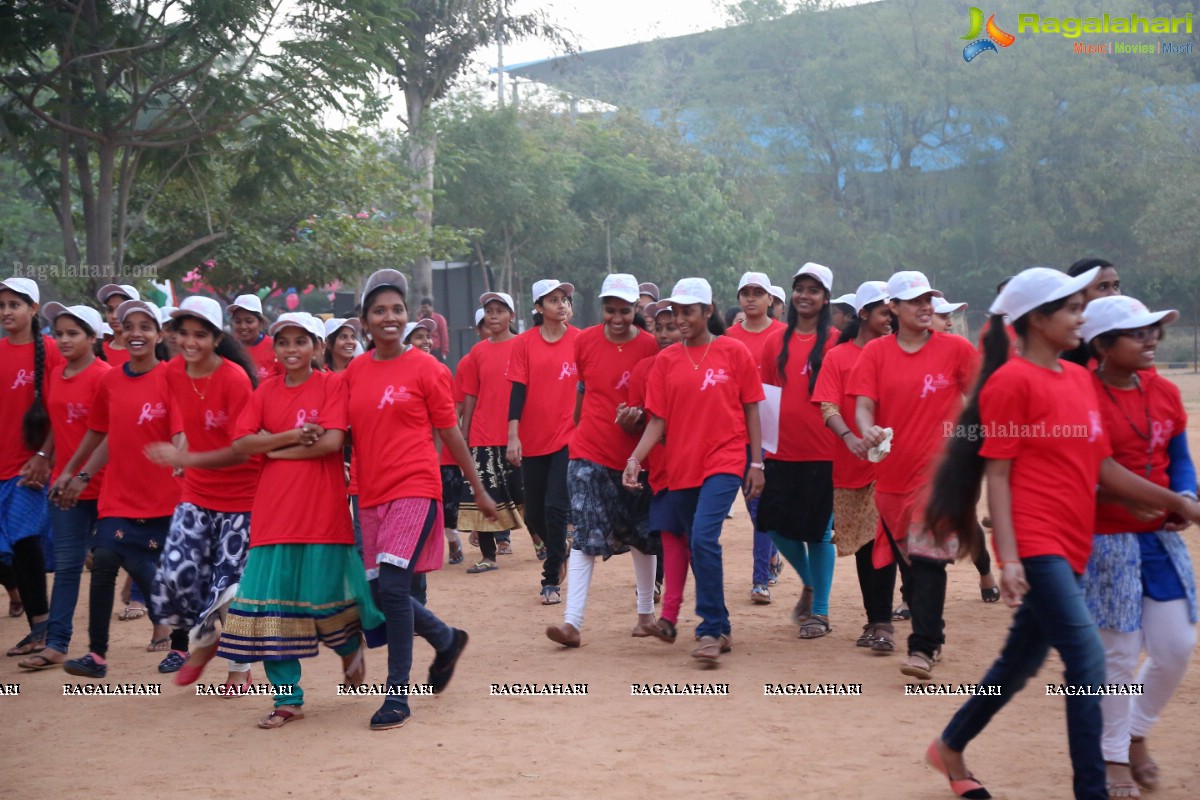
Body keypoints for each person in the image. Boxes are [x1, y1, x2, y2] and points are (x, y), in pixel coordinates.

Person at [921, 267, 1200, 800]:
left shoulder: (1077, 380)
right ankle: (1091, 789)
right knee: (1090, 662)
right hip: (1036, 542)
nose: (1082, 316)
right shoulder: (1010, 381)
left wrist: (1172, 503)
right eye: (1071, 309)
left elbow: (1102, 468)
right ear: (1037, 320)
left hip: (1075, 544)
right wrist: (1011, 559)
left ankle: (950, 747)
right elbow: (997, 475)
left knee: (1019, 662)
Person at [343, 269, 496, 730]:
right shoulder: (354, 370)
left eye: (397, 310)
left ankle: (397, 696)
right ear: (365, 321)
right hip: (369, 495)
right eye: (379, 311)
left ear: (407, 316)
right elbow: (342, 435)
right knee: (378, 591)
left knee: (392, 588)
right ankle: (446, 639)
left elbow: (450, 433)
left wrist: (479, 489)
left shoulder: (429, 369)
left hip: (415, 487)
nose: (390, 318)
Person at [221, 312, 383, 727]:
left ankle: (349, 648)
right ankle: (286, 698)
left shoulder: (332, 384)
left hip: (321, 510)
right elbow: (241, 442)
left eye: (300, 341)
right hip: (274, 513)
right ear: (274, 348)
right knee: (271, 605)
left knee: (323, 596)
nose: (291, 349)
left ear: (317, 345)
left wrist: (270, 450)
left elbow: (331, 441)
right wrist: (292, 437)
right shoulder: (264, 390)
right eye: (283, 342)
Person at [1078, 295, 1197, 797]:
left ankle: (1137, 730)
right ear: (1102, 346)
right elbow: (1086, 472)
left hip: (1157, 541)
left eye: (1154, 331)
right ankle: (1114, 754)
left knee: (1176, 647)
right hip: (1104, 541)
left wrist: (1186, 494)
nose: (1150, 340)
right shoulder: (1081, 395)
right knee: (1119, 655)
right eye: (1137, 333)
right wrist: (1172, 500)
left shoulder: (1164, 391)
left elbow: (1179, 455)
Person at [623, 277, 765, 664]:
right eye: (676, 312)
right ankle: (721, 625)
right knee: (695, 542)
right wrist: (635, 459)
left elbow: (752, 407)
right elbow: (657, 421)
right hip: (681, 467)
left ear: (708, 311)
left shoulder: (733, 352)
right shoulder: (665, 362)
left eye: (689, 311)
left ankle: (710, 629)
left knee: (703, 538)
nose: (682, 319)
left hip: (725, 458)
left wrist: (756, 462)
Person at [43, 300, 185, 676]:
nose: (136, 333)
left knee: (169, 573)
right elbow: (103, 433)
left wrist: (182, 460)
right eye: (128, 326)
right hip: (119, 495)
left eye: (145, 326)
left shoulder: (174, 377)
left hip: (166, 497)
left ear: (159, 334)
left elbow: (182, 431)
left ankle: (184, 643)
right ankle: (97, 656)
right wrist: (77, 473)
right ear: (119, 332)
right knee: (105, 559)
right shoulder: (111, 380)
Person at [849, 270, 979, 680]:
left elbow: (981, 399)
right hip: (891, 478)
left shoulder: (956, 349)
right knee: (913, 562)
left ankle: (922, 647)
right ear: (894, 307)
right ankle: (933, 634)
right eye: (914, 300)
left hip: (940, 475)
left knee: (926, 558)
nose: (925, 307)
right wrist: (867, 427)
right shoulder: (875, 354)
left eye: (928, 299)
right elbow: (864, 405)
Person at [145, 296, 261, 689]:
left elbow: (242, 449)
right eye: (183, 333)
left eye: (199, 335)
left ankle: (238, 667)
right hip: (196, 493)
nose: (189, 342)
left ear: (215, 338)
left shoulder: (234, 379)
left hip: (242, 496)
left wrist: (186, 456)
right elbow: (175, 415)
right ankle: (206, 640)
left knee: (228, 587)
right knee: (176, 572)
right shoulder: (172, 371)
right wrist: (180, 447)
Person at [545, 274, 660, 647]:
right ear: (602, 309)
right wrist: (577, 430)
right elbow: (584, 388)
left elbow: (656, 405)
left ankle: (646, 615)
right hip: (588, 451)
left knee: (642, 534)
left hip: (633, 456)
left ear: (635, 310)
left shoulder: (650, 346)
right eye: (610, 310)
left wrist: (637, 418)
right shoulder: (585, 341)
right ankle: (571, 623)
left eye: (625, 311)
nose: (617, 317)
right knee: (584, 533)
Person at [21, 303, 110, 670]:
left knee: (129, 561)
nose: (64, 340)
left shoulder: (106, 376)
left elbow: (107, 431)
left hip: (107, 485)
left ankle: (170, 632)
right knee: (69, 566)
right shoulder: (56, 373)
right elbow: (59, 422)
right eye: (59, 333)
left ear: (93, 338)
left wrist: (80, 473)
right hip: (66, 483)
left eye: (73, 333)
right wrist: (46, 455)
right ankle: (56, 643)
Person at [812, 280, 896, 651]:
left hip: (897, 467)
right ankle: (877, 618)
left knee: (886, 539)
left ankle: (884, 622)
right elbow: (828, 405)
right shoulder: (838, 356)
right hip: (851, 466)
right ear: (863, 314)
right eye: (884, 312)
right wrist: (850, 438)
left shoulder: (900, 352)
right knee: (866, 546)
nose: (891, 318)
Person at [758, 263, 839, 637]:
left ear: (826, 299)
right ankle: (809, 581)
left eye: (814, 290)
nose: (805, 295)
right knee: (773, 525)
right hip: (781, 452)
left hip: (825, 451)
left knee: (820, 534)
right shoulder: (776, 341)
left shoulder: (836, 342)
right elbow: (764, 398)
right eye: (800, 288)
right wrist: (759, 453)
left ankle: (819, 613)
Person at [0, 277, 63, 658]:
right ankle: (38, 624)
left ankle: (41, 628)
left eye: (14, 304)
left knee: (25, 545)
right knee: (11, 549)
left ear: (33, 309)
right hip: (2, 466)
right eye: (2, 305)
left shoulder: (53, 351)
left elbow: (61, 410)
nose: (7, 312)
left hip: (32, 469)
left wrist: (44, 456)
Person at [507, 279, 579, 604]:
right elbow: (517, 392)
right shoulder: (523, 344)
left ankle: (550, 579)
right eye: (553, 300)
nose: (561, 305)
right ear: (538, 307)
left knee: (556, 507)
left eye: (564, 299)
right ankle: (559, 550)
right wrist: (513, 436)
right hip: (532, 440)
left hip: (568, 437)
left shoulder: (580, 340)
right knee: (532, 513)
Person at [620, 301, 685, 641]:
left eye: (671, 327)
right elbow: (644, 422)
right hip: (657, 470)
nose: (663, 335)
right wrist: (629, 422)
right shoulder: (644, 369)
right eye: (658, 327)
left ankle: (714, 621)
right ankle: (656, 615)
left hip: (694, 470)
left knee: (698, 542)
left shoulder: (698, 363)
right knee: (657, 541)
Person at [725, 271, 787, 603]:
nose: (750, 298)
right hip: (736, 426)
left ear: (770, 300)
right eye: (745, 293)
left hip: (775, 427)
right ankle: (770, 558)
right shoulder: (728, 337)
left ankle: (760, 577)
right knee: (754, 505)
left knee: (763, 505)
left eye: (757, 292)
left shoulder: (784, 335)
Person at [460, 293, 530, 572]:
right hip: (483, 433)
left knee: (524, 493)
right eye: (489, 310)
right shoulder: (477, 352)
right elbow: (471, 394)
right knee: (484, 495)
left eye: (500, 310)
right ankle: (488, 556)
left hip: (516, 432)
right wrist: (464, 432)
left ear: (511, 315)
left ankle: (543, 541)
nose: (493, 315)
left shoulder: (523, 345)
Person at [228, 293, 280, 382]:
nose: (243, 326)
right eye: (238, 321)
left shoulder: (275, 348)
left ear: (260, 322)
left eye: (249, 321)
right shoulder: (227, 349)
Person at [97, 284, 140, 367]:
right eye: (110, 310)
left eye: (121, 309)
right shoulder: (98, 352)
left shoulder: (146, 353)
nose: (114, 316)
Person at [417, 296, 450, 362]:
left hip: (436, 352)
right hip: (424, 351)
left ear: (431, 307)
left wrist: (444, 352)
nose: (424, 310)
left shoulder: (439, 319)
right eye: (422, 308)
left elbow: (444, 336)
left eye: (426, 307)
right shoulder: (419, 320)